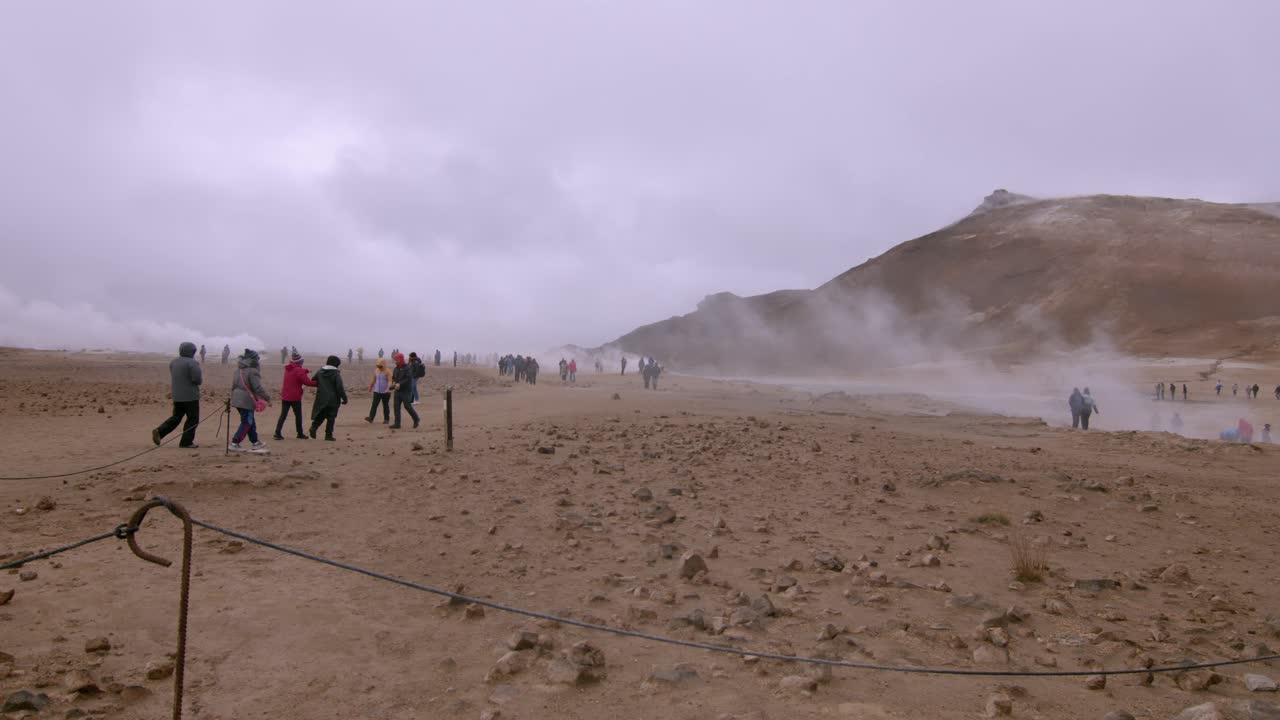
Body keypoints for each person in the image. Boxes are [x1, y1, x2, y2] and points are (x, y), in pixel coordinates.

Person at [151, 341, 203, 449]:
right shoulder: (192, 363)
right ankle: (186, 442)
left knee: (176, 417)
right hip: (190, 396)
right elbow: (197, 379)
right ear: (192, 352)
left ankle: (160, 431)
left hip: (177, 395)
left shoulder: (173, 362)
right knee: (193, 419)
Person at [230, 349, 270, 452]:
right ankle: (235, 443)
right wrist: (267, 397)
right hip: (246, 400)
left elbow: (233, 386)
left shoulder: (238, 370)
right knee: (247, 422)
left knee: (249, 421)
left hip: (237, 399)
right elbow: (257, 388)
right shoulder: (253, 371)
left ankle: (255, 442)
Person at [274, 350, 317, 440]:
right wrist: (318, 383)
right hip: (294, 397)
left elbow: (299, 371)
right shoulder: (299, 371)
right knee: (298, 416)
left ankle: (277, 433)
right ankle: (299, 433)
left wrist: (307, 370)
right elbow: (308, 382)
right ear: (300, 362)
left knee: (283, 415)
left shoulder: (289, 368)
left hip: (285, 396)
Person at [308, 355, 348, 440]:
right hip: (333, 400)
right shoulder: (336, 374)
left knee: (321, 415)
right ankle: (328, 435)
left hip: (321, 398)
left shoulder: (320, 372)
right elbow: (339, 387)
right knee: (331, 417)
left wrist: (321, 386)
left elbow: (313, 380)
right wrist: (344, 398)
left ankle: (314, 427)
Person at [389, 353, 420, 429]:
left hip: (405, 391)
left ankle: (416, 419)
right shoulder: (396, 369)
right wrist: (393, 382)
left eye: (397, 359)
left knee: (407, 406)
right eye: (395, 359)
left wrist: (400, 384)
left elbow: (408, 378)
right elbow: (393, 377)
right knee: (396, 407)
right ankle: (397, 424)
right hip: (397, 390)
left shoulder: (407, 367)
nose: (396, 361)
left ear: (401, 359)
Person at [366, 358, 393, 423]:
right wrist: (370, 387)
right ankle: (371, 418)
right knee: (374, 405)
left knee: (385, 405)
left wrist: (388, 388)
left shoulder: (388, 371)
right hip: (377, 391)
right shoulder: (376, 371)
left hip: (386, 392)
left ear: (384, 365)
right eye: (378, 366)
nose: (379, 367)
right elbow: (373, 379)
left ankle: (386, 419)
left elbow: (390, 381)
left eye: (380, 366)